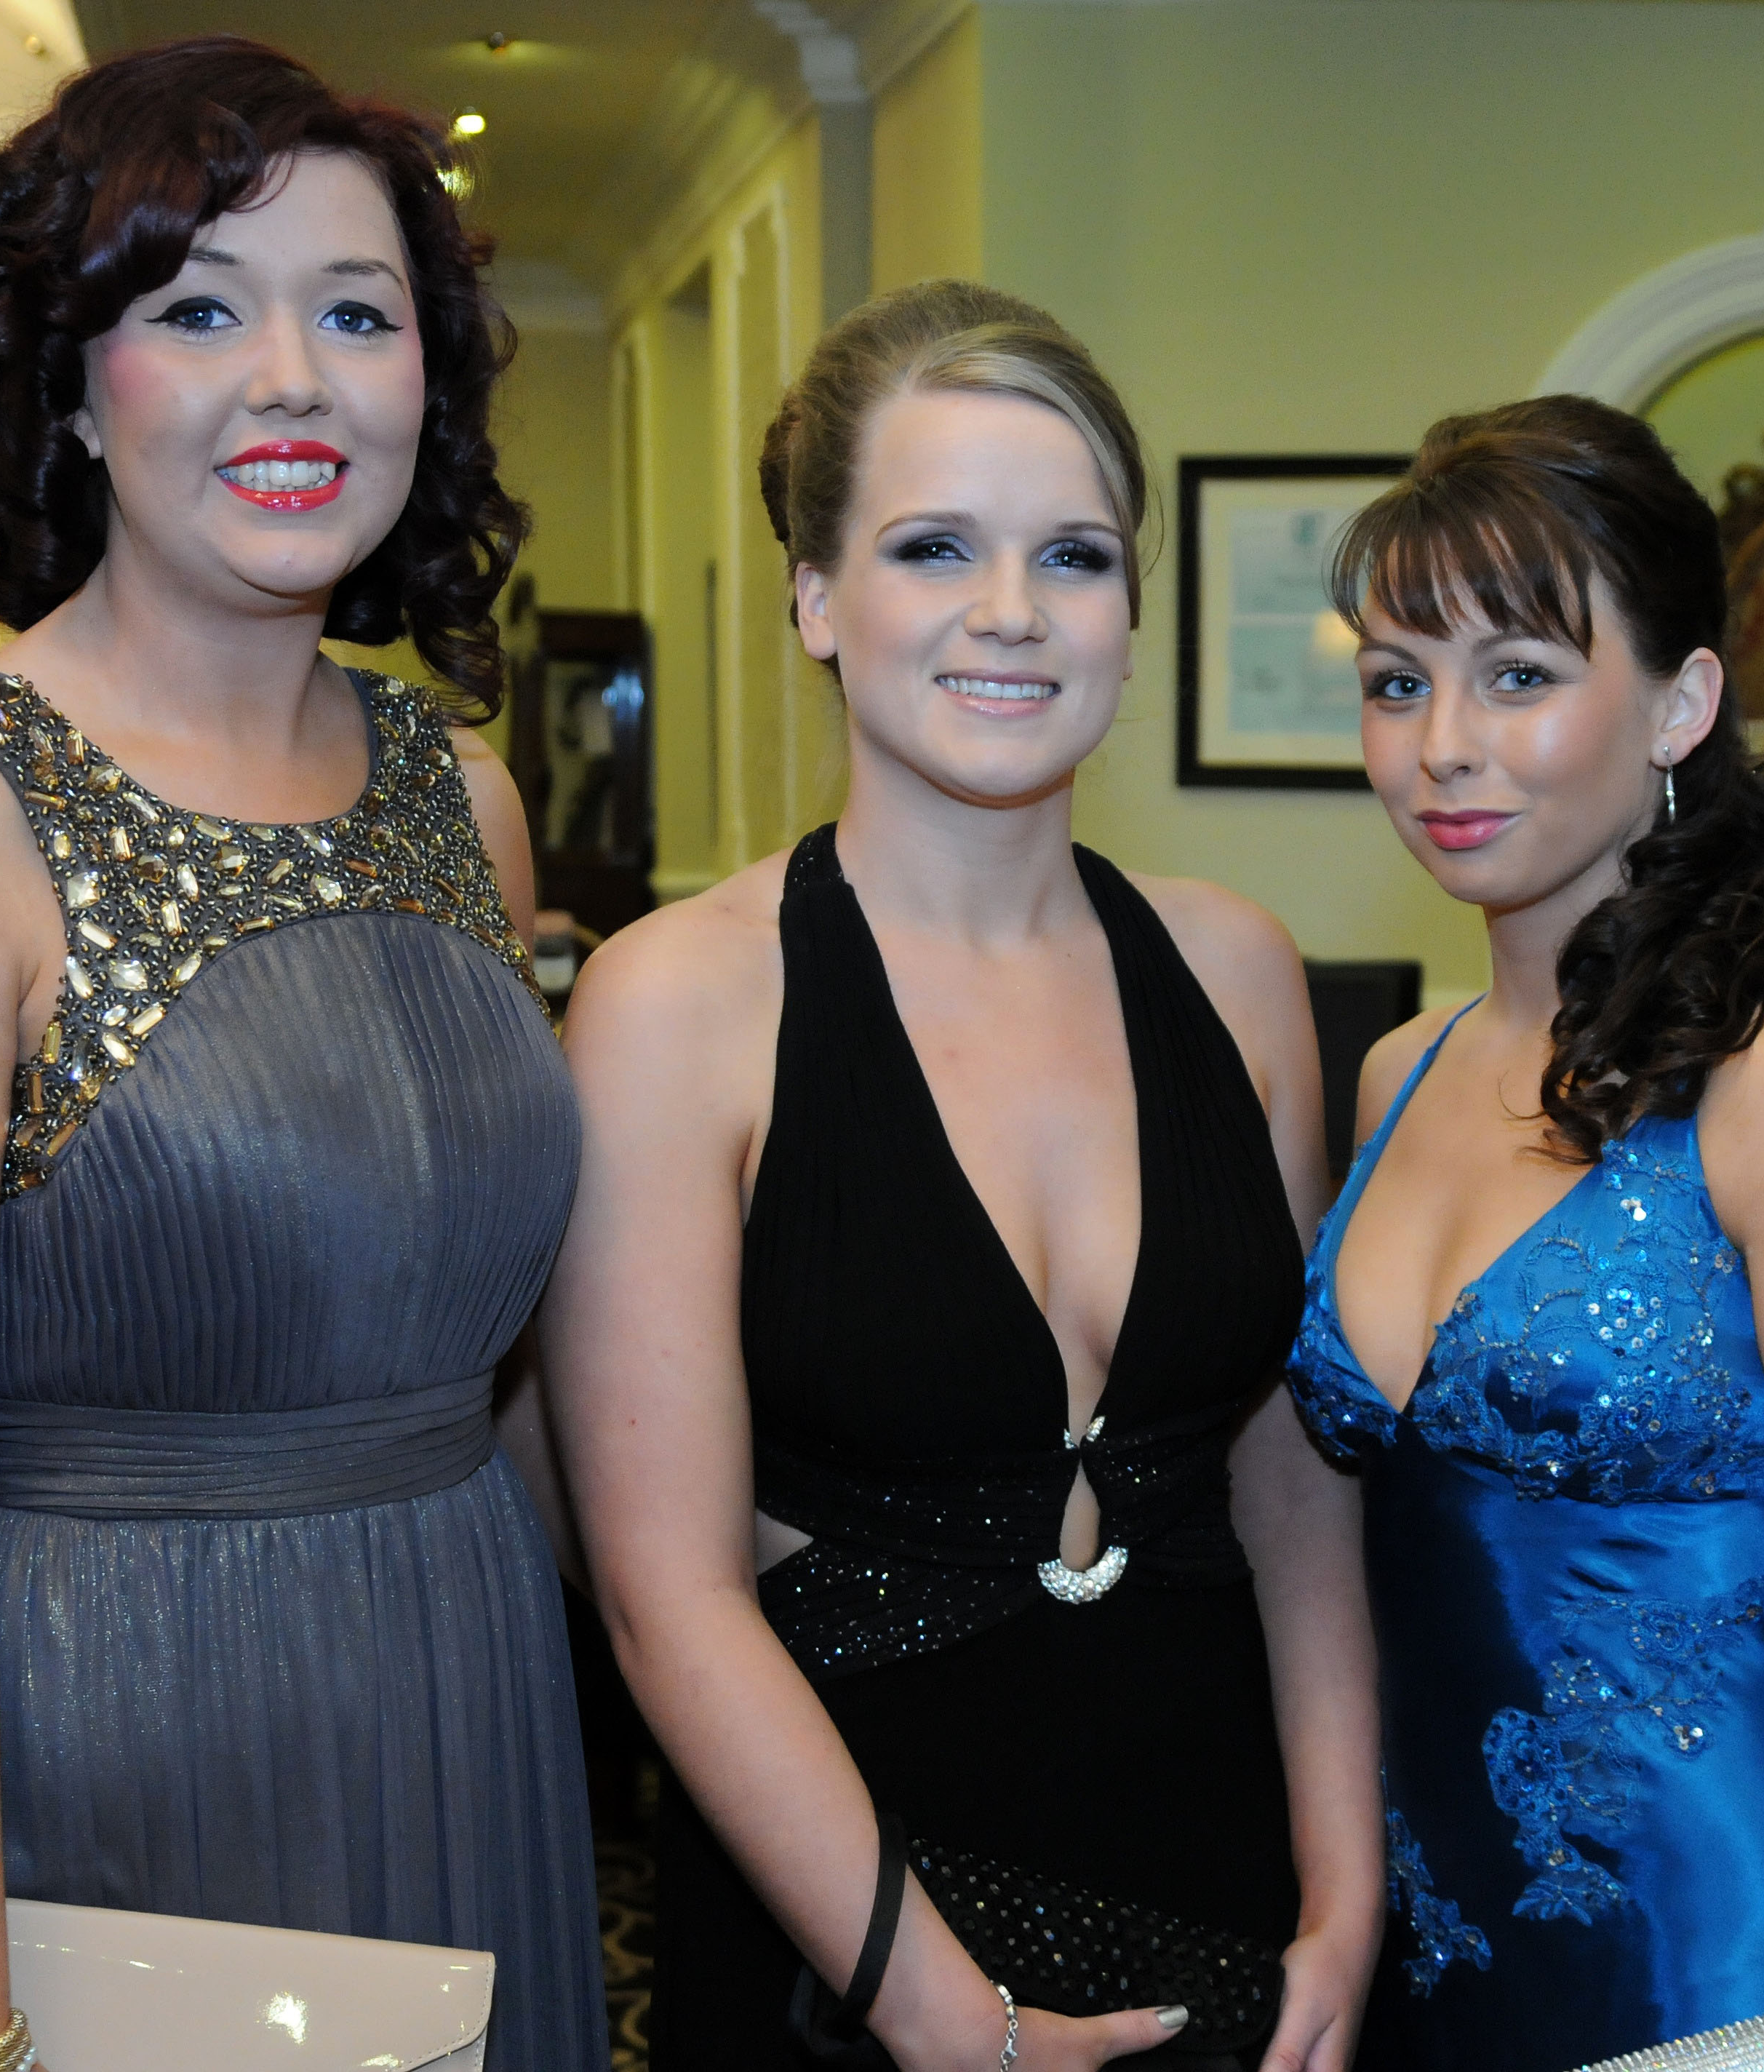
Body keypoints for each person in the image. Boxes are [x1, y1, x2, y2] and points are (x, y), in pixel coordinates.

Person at [0, 38, 603, 2072]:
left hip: (474, 1713)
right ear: (72, 382)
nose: (293, 379)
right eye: (201, 311)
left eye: (357, 315)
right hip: (120, 1760)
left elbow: (508, 1368)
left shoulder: (461, 796)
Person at [546, 279, 1383, 2072]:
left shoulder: (1236, 970)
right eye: (934, 547)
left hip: (1220, 1874)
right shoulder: (678, 1004)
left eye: (1073, 556)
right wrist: (947, 2018)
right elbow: (664, 1596)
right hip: (847, 1925)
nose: (1012, 609)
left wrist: (1344, 1880)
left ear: (1129, 614)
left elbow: (1292, 1483)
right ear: (815, 597)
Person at [1287, 396, 1764, 2072]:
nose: (1442, 743)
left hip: (1726, 1998)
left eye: (1517, 673)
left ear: (1680, 701)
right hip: (1438, 1991)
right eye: (1397, 681)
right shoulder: (1394, 1073)